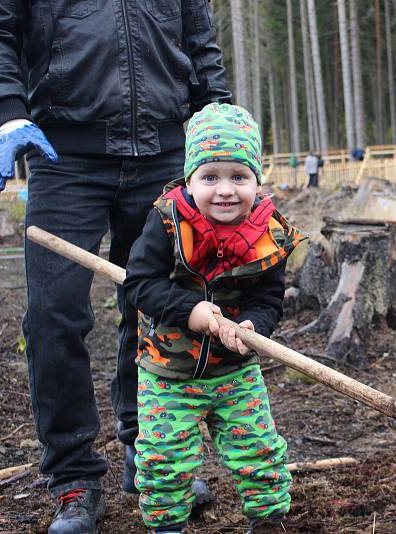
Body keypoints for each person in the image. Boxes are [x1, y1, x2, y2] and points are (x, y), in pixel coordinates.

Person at [0, 2, 230, 532]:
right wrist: (7, 112)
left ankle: (150, 455)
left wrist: (218, 114)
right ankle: (74, 480)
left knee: (163, 309)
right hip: (62, 154)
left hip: (166, 154)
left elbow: (198, 38)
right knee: (53, 316)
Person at [125, 103, 304, 534]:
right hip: (168, 371)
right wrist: (192, 311)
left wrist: (254, 327)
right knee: (164, 459)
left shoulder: (269, 236)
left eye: (239, 177)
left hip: (235, 371)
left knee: (259, 451)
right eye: (211, 177)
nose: (225, 190)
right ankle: (168, 526)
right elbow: (138, 285)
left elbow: (268, 298)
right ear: (189, 180)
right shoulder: (167, 223)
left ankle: (267, 521)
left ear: (256, 181)